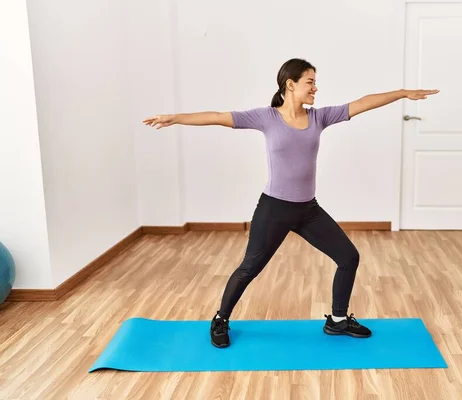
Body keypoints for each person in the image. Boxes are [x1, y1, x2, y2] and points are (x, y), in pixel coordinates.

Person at [143, 58, 439, 348]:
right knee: (250, 267)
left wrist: (401, 94)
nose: (315, 88)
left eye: (315, 82)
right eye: (310, 82)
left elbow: (361, 103)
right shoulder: (266, 117)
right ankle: (220, 319)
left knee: (349, 257)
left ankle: (337, 320)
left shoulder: (319, 117)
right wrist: (175, 117)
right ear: (290, 84)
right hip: (274, 209)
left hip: (308, 210)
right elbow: (219, 116)